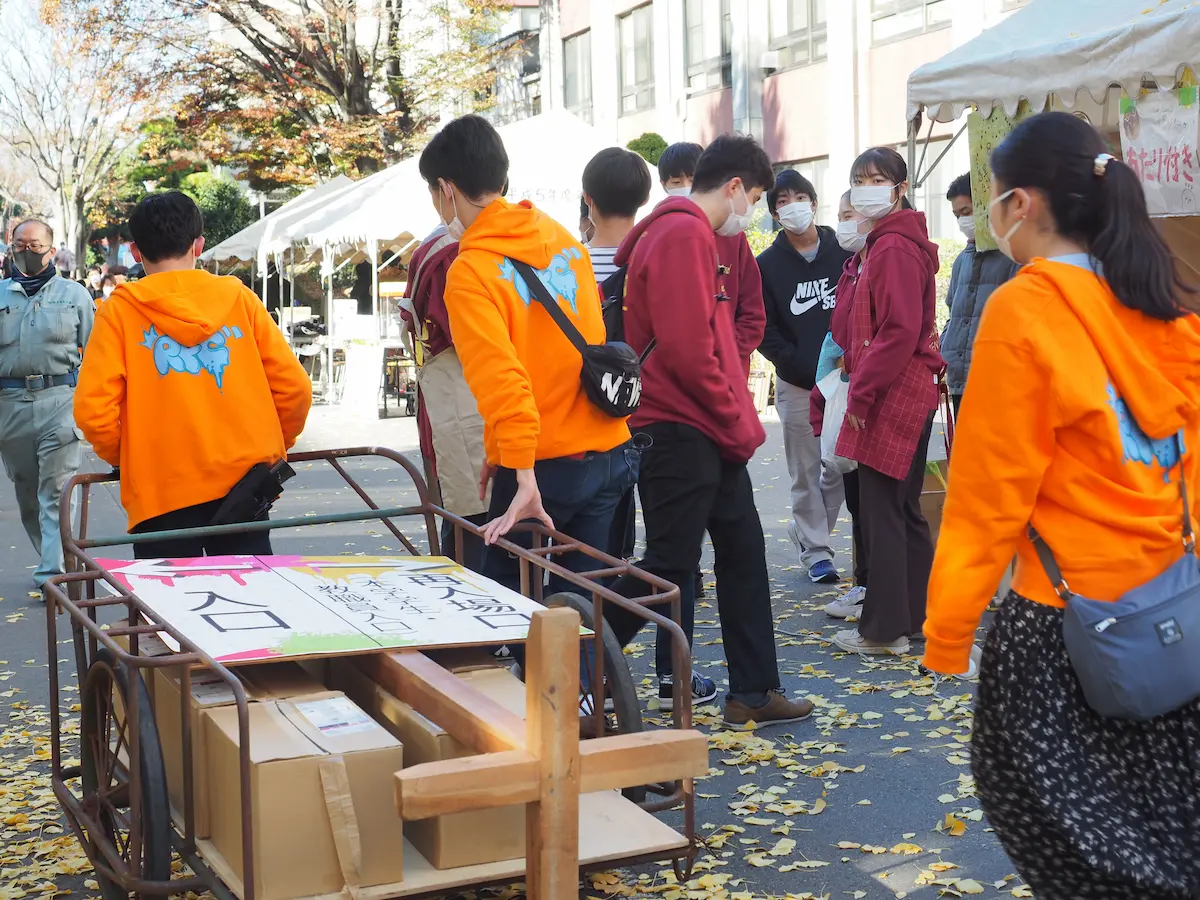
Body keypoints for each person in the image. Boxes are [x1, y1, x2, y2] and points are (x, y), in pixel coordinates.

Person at [923, 111, 1200, 900]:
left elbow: (987, 494)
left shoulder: (1025, 309)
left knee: (1057, 821)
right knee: (1169, 826)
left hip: (1068, 623)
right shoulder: (1161, 301)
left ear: (1021, 204)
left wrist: (946, 633)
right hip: (1177, 610)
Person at [608, 134, 813, 728]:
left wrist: (730, 420)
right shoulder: (682, 232)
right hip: (679, 426)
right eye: (752, 196)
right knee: (667, 563)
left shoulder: (688, 233)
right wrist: (736, 420)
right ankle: (572, 661)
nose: (751, 209)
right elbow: (687, 347)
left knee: (741, 550)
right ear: (732, 188)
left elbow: (710, 337)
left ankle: (754, 690)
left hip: (699, 424)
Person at [417, 114, 635, 590]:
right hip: (609, 447)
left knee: (517, 621)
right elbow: (586, 342)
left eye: (434, 196)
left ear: (445, 189)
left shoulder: (471, 271)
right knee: (582, 616)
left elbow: (502, 378)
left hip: (543, 465)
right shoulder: (561, 240)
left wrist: (518, 468)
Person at [75, 191, 312, 558]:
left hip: (160, 485)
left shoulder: (119, 312)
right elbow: (294, 387)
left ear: (136, 252)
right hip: (244, 482)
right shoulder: (239, 299)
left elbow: (93, 410)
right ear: (198, 244)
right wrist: (274, 446)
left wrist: (127, 457)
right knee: (250, 601)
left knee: (172, 606)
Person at [830, 147, 943, 656]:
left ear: (899, 187)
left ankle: (884, 630)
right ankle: (917, 619)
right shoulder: (885, 243)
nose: (866, 187)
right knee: (901, 508)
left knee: (883, 510)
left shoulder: (894, 246)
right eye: (859, 178)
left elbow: (897, 330)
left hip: (893, 387)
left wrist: (865, 391)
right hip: (906, 384)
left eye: (877, 179)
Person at [757, 170, 853, 585]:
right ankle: (817, 551)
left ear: (814, 202)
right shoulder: (767, 265)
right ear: (775, 212)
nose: (793, 206)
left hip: (847, 379)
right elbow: (763, 329)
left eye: (800, 197)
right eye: (782, 201)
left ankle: (809, 531)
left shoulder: (845, 250)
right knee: (806, 470)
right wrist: (798, 366)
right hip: (799, 385)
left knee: (838, 467)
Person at [0, 220, 94, 588]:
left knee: (55, 490)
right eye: (20, 244)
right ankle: (53, 557)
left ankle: (52, 575)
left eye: (35, 245)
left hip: (60, 401)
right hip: (10, 405)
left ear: (51, 251)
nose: (27, 250)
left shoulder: (75, 296)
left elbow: (96, 352)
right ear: (10, 249)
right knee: (28, 495)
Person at [399, 221, 489, 572]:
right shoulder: (454, 252)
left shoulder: (441, 247)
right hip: (470, 406)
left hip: (454, 408)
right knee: (475, 527)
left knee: (467, 522)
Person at [580, 147, 653, 563]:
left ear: (588, 198)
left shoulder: (565, 263)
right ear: (644, 201)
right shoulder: (655, 258)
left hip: (583, 404)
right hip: (641, 400)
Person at [815, 190, 875, 618]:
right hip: (846, 391)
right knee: (856, 497)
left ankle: (875, 587)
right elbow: (836, 336)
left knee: (875, 504)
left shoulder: (885, 261)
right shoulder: (850, 268)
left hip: (868, 396)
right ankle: (865, 583)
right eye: (839, 215)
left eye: (849, 214)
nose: (843, 223)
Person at [941, 173, 1019, 415]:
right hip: (959, 380)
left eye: (967, 212)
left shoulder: (1013, 256)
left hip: (995, 380)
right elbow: (952, 314)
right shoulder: (961, 261)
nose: (963, 221)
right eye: (957, 216)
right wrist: (946, 350)